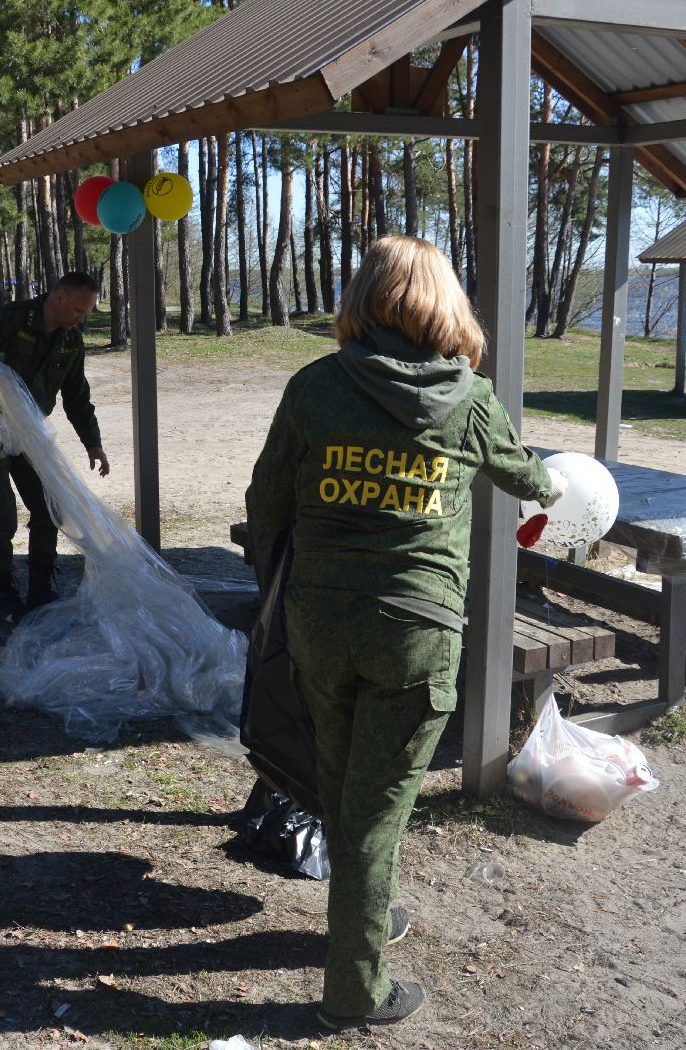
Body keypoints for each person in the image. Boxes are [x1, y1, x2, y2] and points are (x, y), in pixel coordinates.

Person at [245, 236, 562, 1032]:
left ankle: (365, 906)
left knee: (344, 778)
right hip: (415, 632)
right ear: (444, 302)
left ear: (364, 297)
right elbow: (531, 479)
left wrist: (286, 578)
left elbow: (265, 501)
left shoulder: (315, 386)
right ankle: (354, 991)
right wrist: (558, 480)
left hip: (318, 619)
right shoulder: (470, 400)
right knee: (378, 806)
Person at [0, 272, 110, 622]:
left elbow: (77, 396)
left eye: (87, 313)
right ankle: (5, 591)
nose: (82, 319)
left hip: (29, 431)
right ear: (60, 297)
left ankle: (41, 587)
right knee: (0, 514)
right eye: (80, 310)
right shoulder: (13, 318)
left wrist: (93, 443)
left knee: (48, 504)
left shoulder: (70, 341)